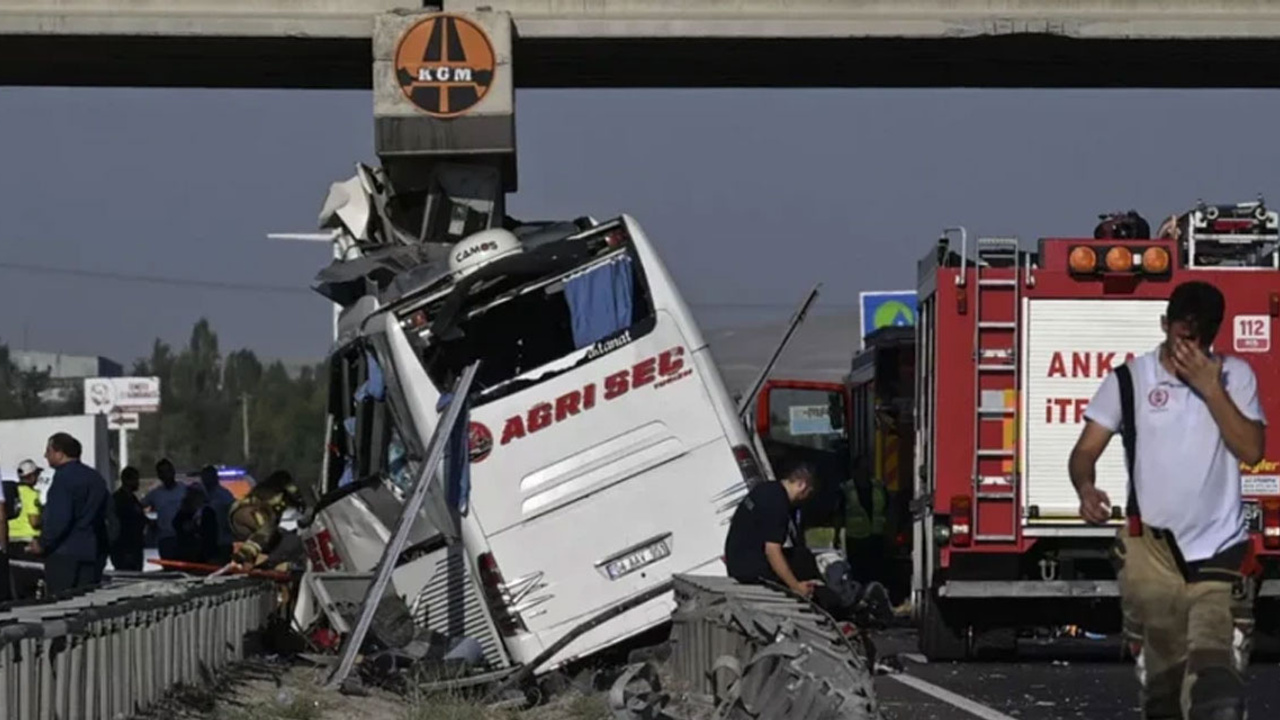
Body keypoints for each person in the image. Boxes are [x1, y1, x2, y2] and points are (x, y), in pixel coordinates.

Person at [1069, 281, 1265, 720]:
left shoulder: (1236, 376)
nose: (1189, 350)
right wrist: (1086, 487)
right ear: (1165, 327)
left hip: (1219, 551)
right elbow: (1084, 451)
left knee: (1216, 682)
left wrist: (1212, 389)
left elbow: (1252, 451)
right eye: (1181, 337)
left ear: (1215, 335)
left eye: (1200, 340)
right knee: (1164, 690)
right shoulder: (1129, 381)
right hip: (1153, 554)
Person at [723, 461, 834, 603]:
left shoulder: (766, 488)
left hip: (737, 562)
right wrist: (795, 586)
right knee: (804, 563)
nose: (806, 498)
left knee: (802, 556)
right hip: (751, 571)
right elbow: (772, 551)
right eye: (808, 493)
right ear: (802, 485)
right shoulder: (778, 503)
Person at [39, 432, 111, 595]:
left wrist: (43, 543)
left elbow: (59, 518)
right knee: (86, 602)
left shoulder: (63, 479)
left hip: (63, 554)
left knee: (61, 604)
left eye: (48, 451)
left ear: (60, 453)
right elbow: (108, 514)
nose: (45, 455)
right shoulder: (95, 478)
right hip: (91, 551)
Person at [230, 470, 306, 569]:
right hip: (254, 550)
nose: (283, 505)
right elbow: (264, 532)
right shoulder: (250, 510)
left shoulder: (270, 511)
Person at [7, 460, 46, 598]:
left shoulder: (11, 492)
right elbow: (34, 521)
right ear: (31, 476)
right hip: (28, 545)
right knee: (33, 586)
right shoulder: (31, 494)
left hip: (10, 543)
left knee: (16, 585)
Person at [143, 458, 187, 561]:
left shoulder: (184, 489)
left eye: (168, 471)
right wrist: (149, 522)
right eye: (162, 472)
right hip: (165, 538)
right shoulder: (155, 494)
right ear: (159, 475)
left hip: (183, 538)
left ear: (173, 472)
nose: (166, 475)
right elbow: (136, 507)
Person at [110, 466, 147, 572]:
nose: (137, 483)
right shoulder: (119, 500)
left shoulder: (133, 499)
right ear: (126, 480)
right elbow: (121, 526)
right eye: (135, 479)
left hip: (136, 546)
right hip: (124, 548)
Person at [199, 465, 236, 564]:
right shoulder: (202, 495)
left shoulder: (224, 496)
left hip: (223, 541)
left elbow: (233, 515)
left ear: (215, 477)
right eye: (204, 477)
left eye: (209, 477)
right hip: (206, 543)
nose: (206, 480)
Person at [172, 484, 218, 564]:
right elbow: (176, 525)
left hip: (205, 553)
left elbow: (212, 533)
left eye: (196, 494)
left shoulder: (208, 512)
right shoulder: (183, 513)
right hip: (186, 553)